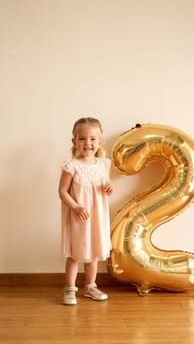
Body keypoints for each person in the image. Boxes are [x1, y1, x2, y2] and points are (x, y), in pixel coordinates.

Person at [58, 117, 113, 305]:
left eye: (92, 139)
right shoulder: (72, 166)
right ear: (74, 141)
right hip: (78, 216)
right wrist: (76, 206)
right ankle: (70, 289)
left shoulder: (103, 165)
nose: (87, 143)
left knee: (93, 253)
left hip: (97, 217)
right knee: (76, 253)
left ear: (99, 142)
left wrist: (109, 189)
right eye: (82, 139)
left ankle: (90, 286)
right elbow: (62, 191)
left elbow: (104, 187)